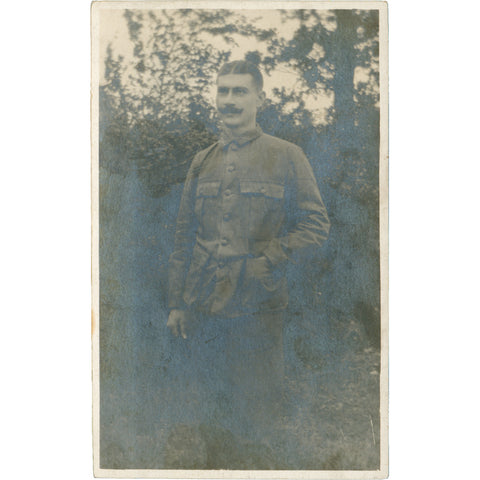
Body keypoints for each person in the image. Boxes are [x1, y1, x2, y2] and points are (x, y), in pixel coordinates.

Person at [166, 60, 330, 451]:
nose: (229, 100)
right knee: (211, 414)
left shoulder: (286, 155)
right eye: (223, 91)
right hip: (204, 306)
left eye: (240, 91)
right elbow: (184, 238)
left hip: (259, 307)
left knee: (257, 419)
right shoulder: (202, 161)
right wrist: (177, 302)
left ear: (260, 98)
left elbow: (315, 224)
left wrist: (270, 260)